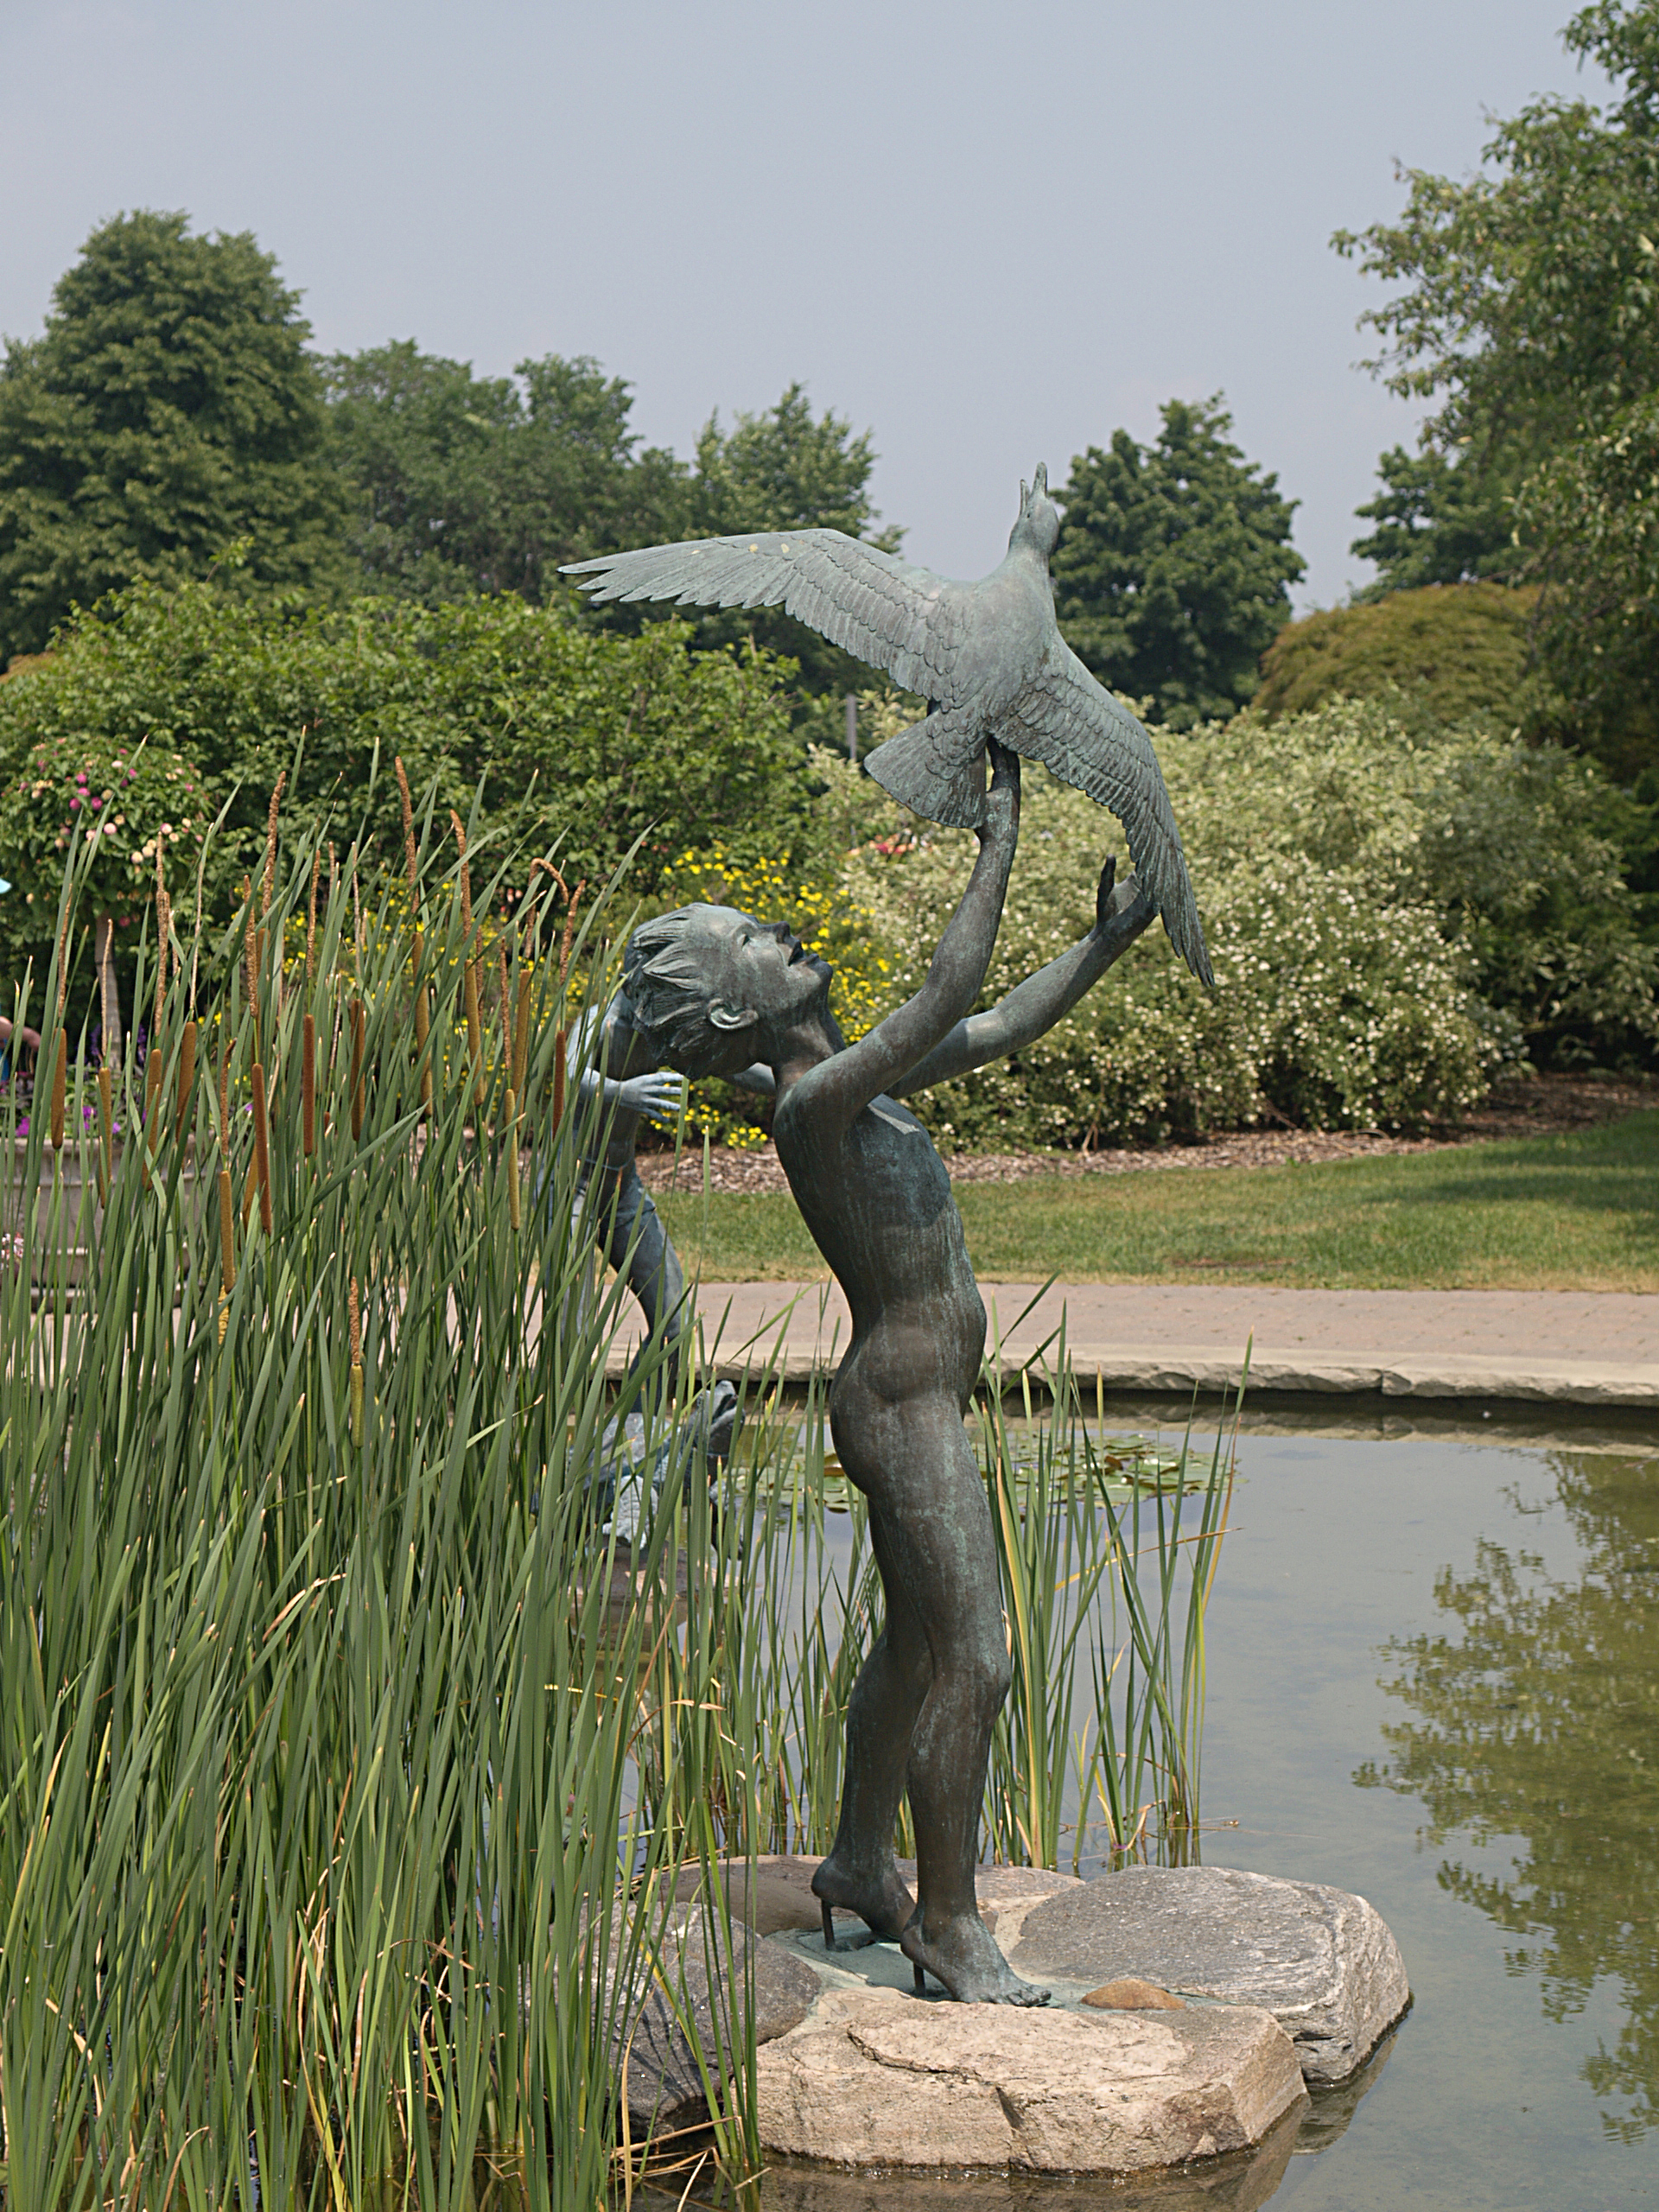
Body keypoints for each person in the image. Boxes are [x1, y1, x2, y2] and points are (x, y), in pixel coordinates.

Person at [622, 742, 1157, 2002]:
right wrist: (997, 836)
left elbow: (1002, 1019)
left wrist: (1106, 941)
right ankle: (950, 1926)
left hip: (916, 1396)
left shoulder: (849, 1078)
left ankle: (863, 1864)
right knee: (980, 1658)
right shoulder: (812, 1103)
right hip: (902, 1407)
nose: (782, 929)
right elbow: (951, 982)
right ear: (736, 1017)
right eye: (752, 939)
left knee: (914, 1652)